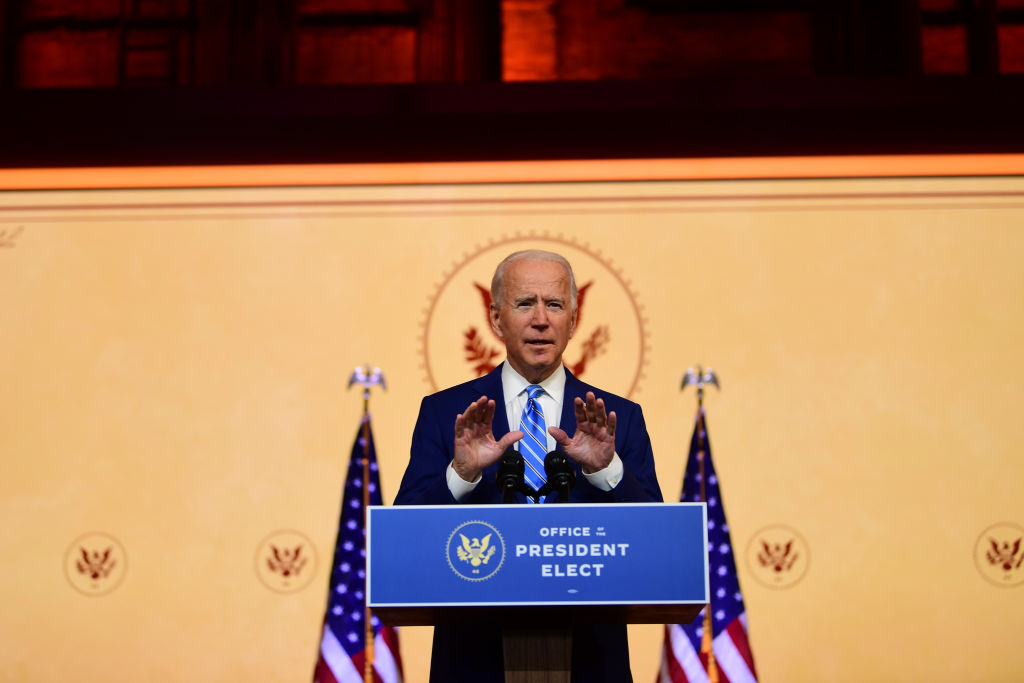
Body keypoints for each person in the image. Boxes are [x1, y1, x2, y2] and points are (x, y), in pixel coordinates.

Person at [394, 249, 662, 682]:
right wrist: (461, 475)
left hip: (592, 661)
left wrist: (605, 470)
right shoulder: (445, 413)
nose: (541, 319)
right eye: (525, 304)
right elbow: (403, 539)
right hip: (472, 659)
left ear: (573, 321)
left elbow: (657, 546)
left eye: (554, 305)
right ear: (496, 319)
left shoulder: (618, 417)